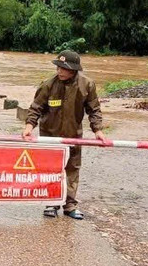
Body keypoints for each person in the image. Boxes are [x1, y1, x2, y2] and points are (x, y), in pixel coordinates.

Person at [22, 50, 106, 220]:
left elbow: (94, 110)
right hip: (50, 135)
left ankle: (70, 205)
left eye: (63, 68)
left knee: (72, 169)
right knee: (50, 169)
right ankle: (51, 202)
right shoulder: (48, 85)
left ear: (73, 69)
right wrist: (29, 125)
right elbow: (35, 107)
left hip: (73, 135)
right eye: (58, 67)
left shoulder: (87, 85)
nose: (59, 71)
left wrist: (98, 130)